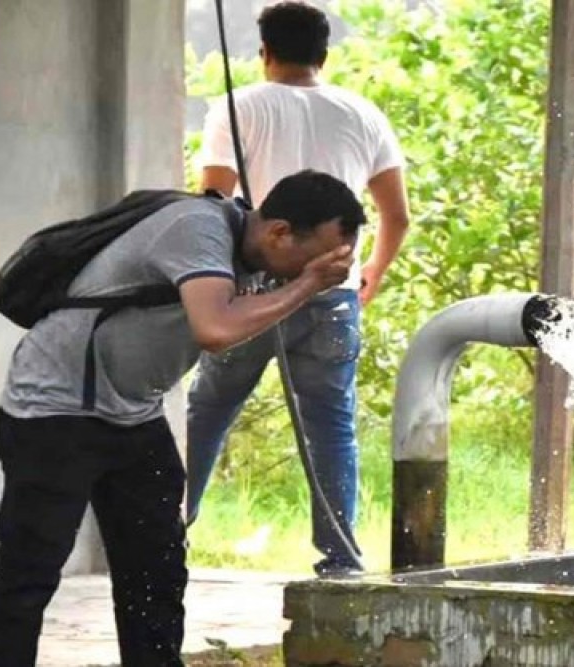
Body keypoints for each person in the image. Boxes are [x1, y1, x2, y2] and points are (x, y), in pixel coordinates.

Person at [0, 171, 364, 667]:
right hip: (56, 409)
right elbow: (215, 328)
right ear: (279, 232)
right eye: (314, 258)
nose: (320, 272)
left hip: (134, 413)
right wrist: (307, 286)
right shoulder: (196, 229)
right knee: (31, 569)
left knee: (156, 569)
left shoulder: (260, 258)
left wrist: (302, 278)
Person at [185, 0, 410, 576]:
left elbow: (214, 204)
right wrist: (370, 275)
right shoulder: (363, 113)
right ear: (324, 54)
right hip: (331, 293)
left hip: (255, 289)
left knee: (208, 410)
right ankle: (339, 558)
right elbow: (396, 216)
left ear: (263, 53)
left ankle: (170, 530)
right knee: (330, 425)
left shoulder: (240, 107)